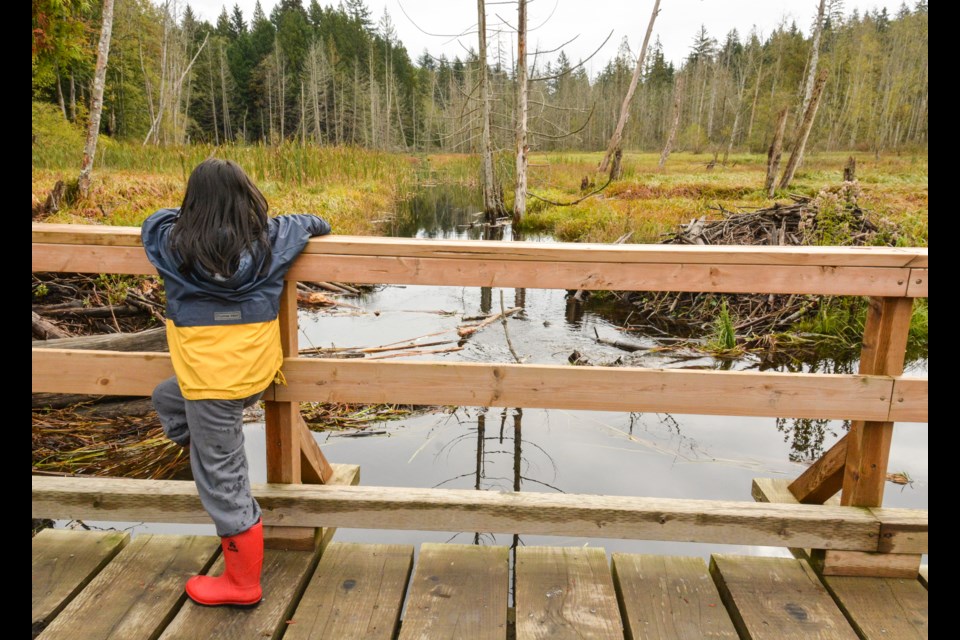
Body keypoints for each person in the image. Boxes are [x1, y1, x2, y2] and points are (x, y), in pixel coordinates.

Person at [141, 158, 331, 607]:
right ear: (248, 199)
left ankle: (243, 585)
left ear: (193, 204)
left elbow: (153, 221)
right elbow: (316, 222)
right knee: (166, 397)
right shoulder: (275, 239)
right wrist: (269, 223)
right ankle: (207, 446)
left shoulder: (171, 243)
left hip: (210, 385)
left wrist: (192, 217)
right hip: (254, 374)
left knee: (224, 483)